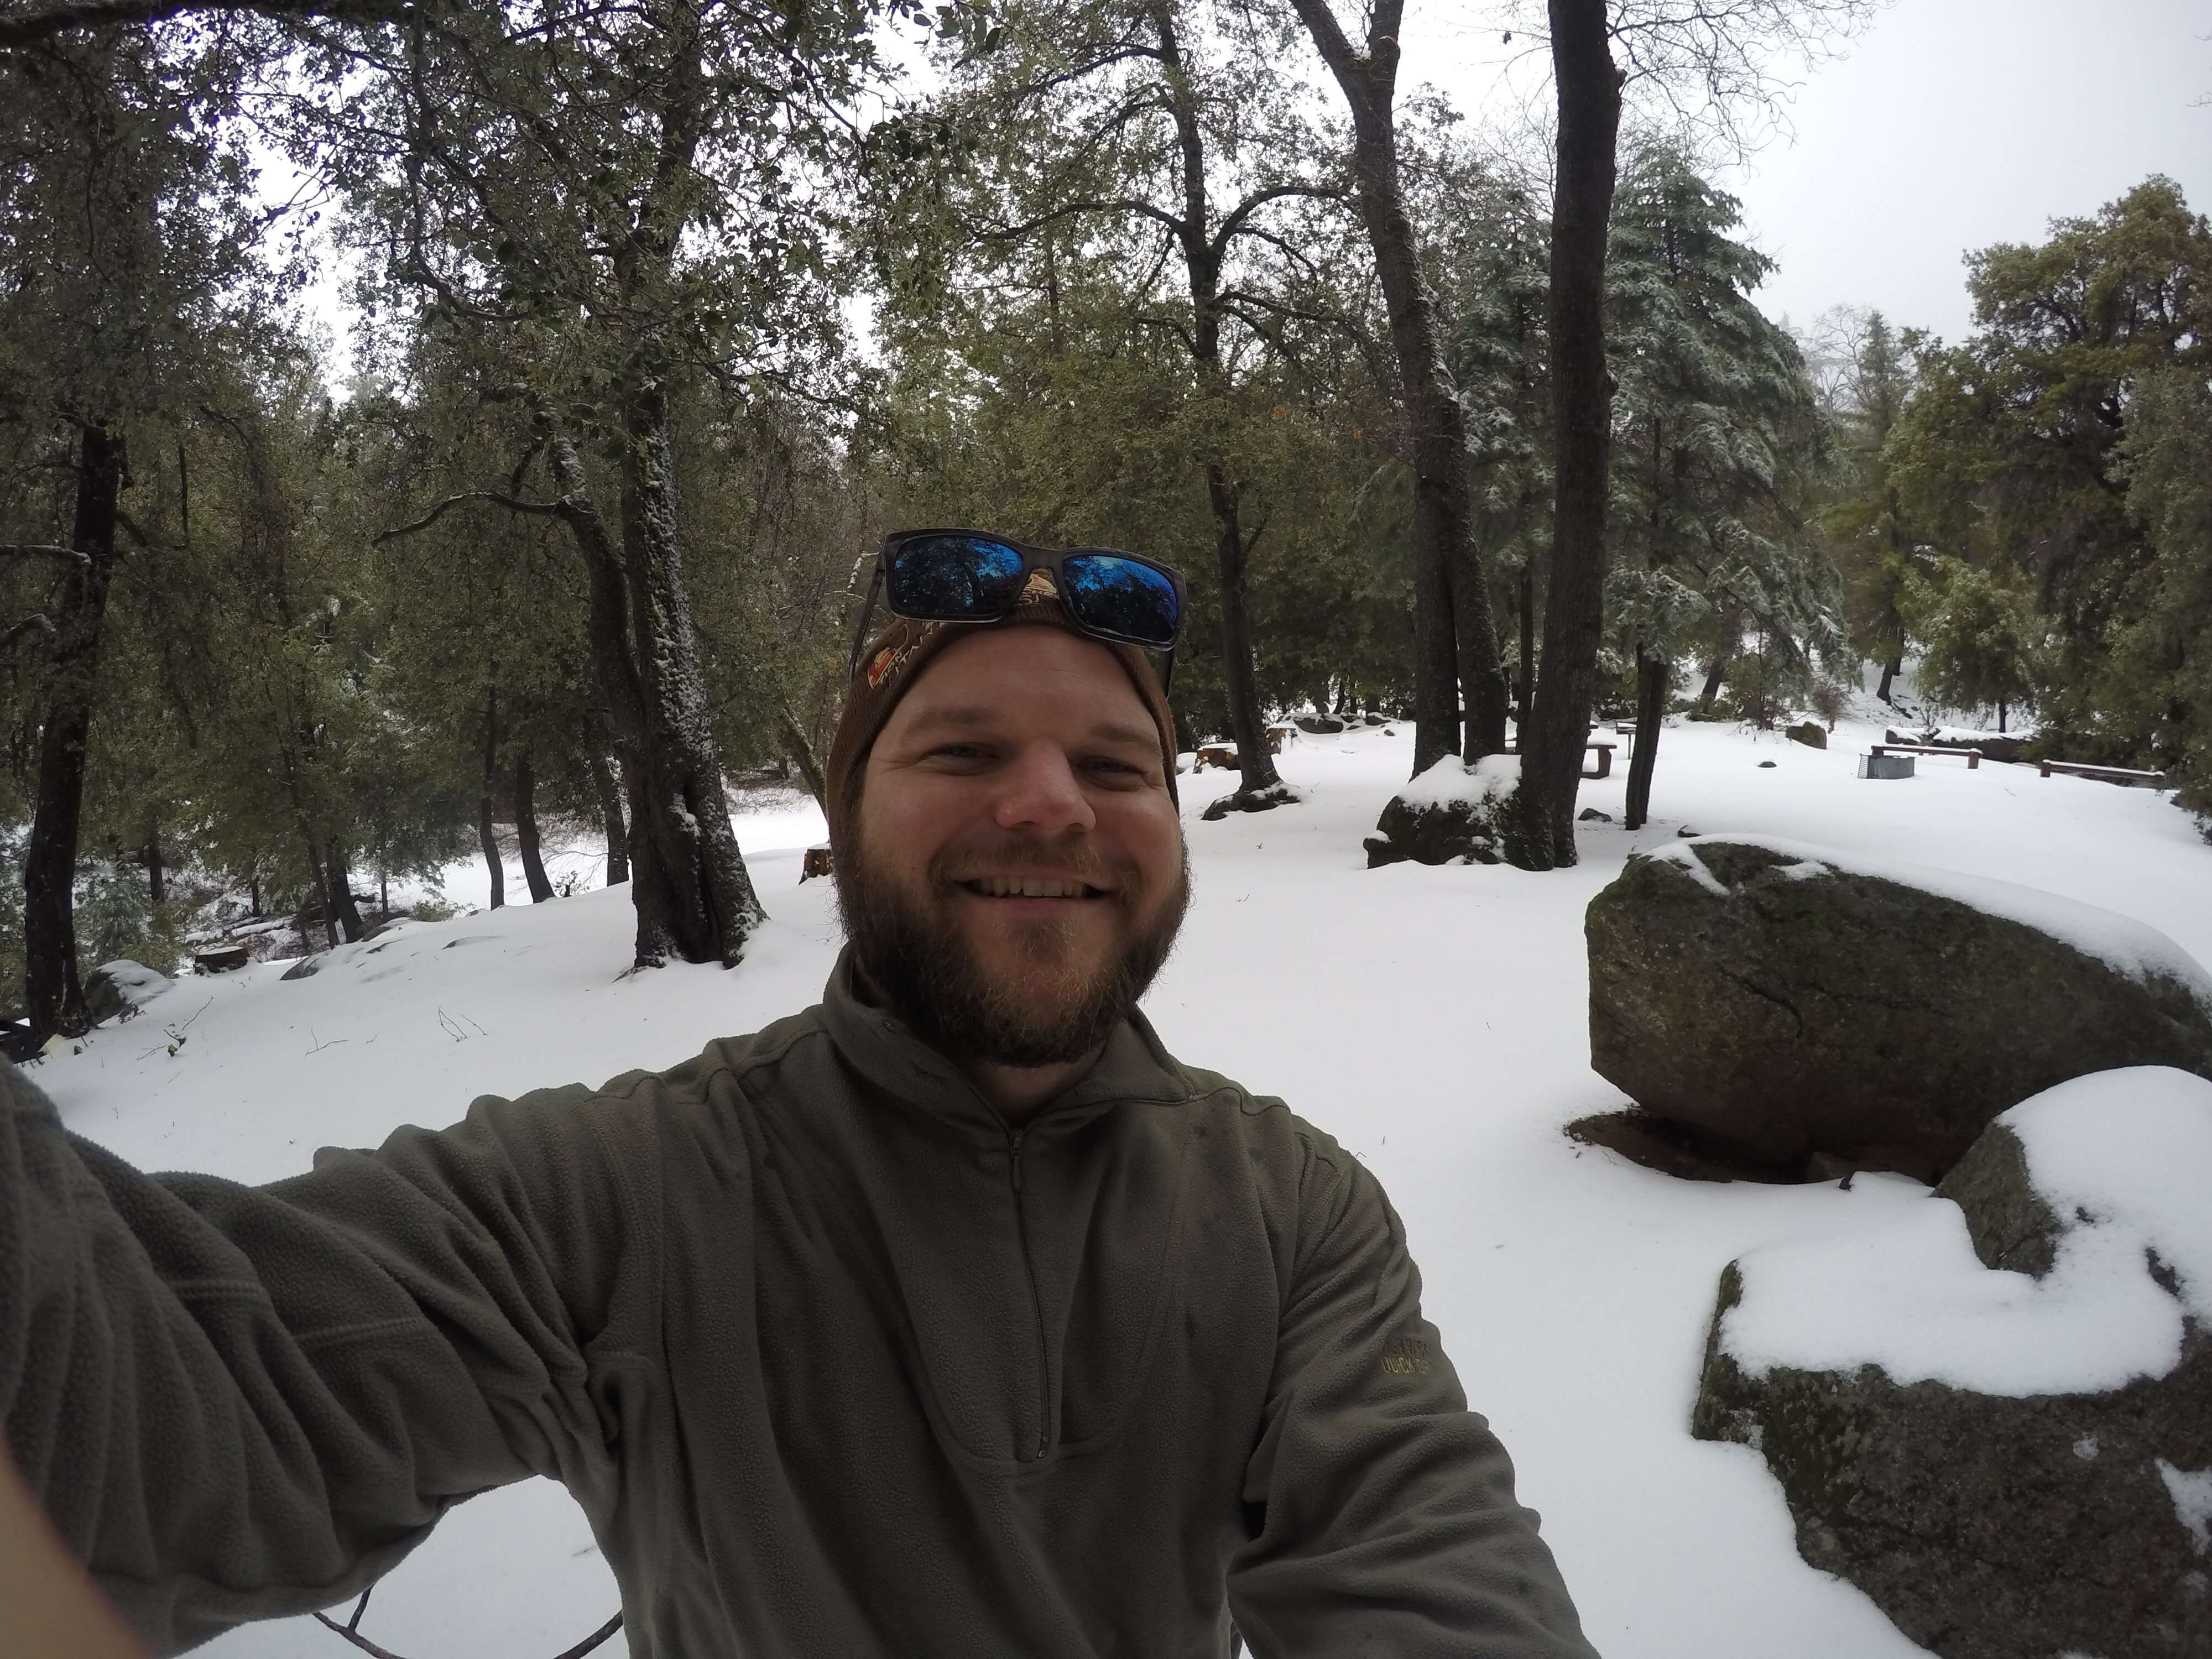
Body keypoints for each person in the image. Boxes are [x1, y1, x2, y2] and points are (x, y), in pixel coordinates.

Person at [0, 529, 1598, 1658]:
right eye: (967, 752)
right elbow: (180, 1400)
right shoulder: (618, 1194)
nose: (1052, 805)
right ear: (849, 811)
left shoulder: (1291, 1207)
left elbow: (1426, 1564)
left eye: (1117, 769)